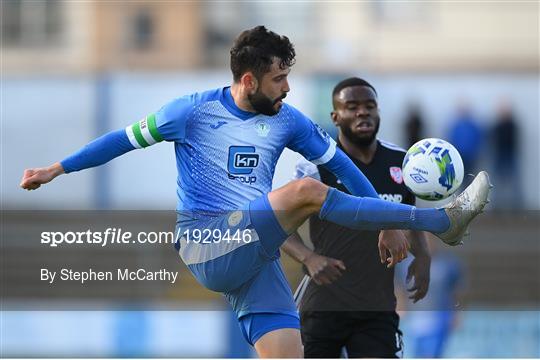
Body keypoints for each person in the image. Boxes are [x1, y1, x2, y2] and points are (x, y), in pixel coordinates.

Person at [20, 26, 491, 358]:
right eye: (278, 79)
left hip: (255, 261)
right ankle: (443, 222)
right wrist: (58, 168)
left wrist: (387, 220)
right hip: (207, 243)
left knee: (289, 354)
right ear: (249, 81)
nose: (287, 88)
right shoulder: (189, 113)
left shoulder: (288, 120)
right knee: (304, 190)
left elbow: (343, 167)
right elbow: (120, 141)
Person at [282, 77, 431, 358]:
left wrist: (422, 255)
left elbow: (411, 215)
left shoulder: (402, 162)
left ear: (378, 112)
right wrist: (309, 258)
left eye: (369, 106)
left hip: (376, 309)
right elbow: (278, 225)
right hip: (324, 306)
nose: (362, 112)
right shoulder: (316, 167)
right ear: (335, 117)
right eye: (352, 106)